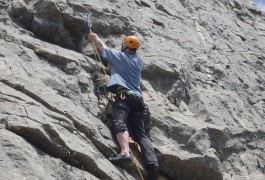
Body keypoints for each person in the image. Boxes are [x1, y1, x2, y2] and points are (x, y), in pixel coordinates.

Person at [88, 33, 159, 180]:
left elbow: (102, 48)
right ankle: (153, 164)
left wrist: (94, 37)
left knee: (119, 121)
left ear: (125, 45)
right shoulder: (139, 61)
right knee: (141, 134)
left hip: (124, 95)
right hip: (139, 100)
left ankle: (125, 152)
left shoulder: (120, 57)